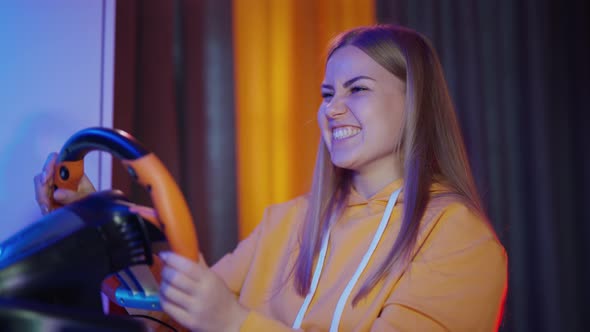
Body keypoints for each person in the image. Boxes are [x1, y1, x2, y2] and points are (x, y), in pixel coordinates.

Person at [34, 24, 507, 331]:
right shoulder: (289, 221)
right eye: (327, 93)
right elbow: (177, 313)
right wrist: (93, 222)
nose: (332, 108)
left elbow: (220, 317)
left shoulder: (459, 240)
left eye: (357, 89)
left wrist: (234, 323)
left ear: (414, 104)